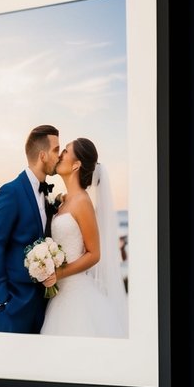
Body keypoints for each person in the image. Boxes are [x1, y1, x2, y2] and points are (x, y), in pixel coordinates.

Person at [40, 139, 129, 338]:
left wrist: (58, 274)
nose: (60, 154)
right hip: (59, 295)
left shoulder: (82, 201)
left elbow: (94, 254)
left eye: (65, 150)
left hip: (76, 296)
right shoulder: (64, 201)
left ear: (76, 164)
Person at [0, 124, 61, 333]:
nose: (60, 156)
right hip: (14, 307)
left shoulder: (47, 195)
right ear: (43, 155)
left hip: (43, 307)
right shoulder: (10, 192)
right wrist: (2, 301)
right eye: (56, 150)